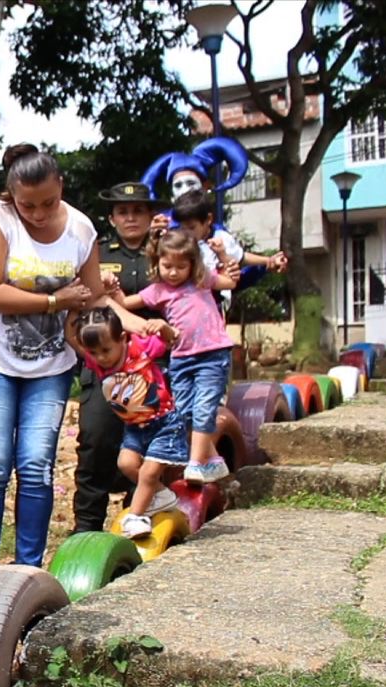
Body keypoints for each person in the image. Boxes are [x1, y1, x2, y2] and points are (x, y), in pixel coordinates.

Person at [0, 144, 105, 572]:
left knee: (35, 466)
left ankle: (28, 570)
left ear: (61, 186)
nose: (39, 213)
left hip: (52, 367)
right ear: (11, 194)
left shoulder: (81, 230)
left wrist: (83, 321)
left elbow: (93, 295)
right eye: (28, 205)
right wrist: (53, 300)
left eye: (48, 202)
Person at [72, 182, 169, 534]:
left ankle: (142, 517)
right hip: (103, 366)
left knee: (150, 444)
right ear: (112, 218)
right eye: (123, 212)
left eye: (138, 211)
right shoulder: (96, 253)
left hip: (154, 367)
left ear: (149, 215)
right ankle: (87, 528)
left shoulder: (166, 248)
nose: (130, 217)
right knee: (96, 441)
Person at [112, 230, 238, 484]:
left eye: (181, 266)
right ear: (157, 262)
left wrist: (222, 254)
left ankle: (195, 463)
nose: (173, 272)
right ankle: (213, 462)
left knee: (203, 409)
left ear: (192, 265)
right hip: (181, 358)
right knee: (183, 413)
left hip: (212, 355)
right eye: (167, 266)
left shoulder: (202, 281)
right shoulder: (158, 290)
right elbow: (125, 303)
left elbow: (230, 282)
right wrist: (111, 287)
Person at [66, 307, 185, 538]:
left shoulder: (141, 348)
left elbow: (172, 340)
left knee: (148, 473)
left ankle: (136, 516)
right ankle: (161, 495)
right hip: (135, 428)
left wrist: (164, 327)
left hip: (163, 424)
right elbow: (72, 337)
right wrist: (72, 308)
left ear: (122, 338)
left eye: (105, 350)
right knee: (127, 465)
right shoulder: (97, 363)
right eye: (94, 352)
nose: (101, 357)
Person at [169, 189, 288, 276]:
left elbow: (240, 257)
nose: (187, 233)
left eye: (191, 228)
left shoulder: (220, 238)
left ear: (208, 220)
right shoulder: (178, 240)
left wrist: (269, 260)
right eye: (182, 228)